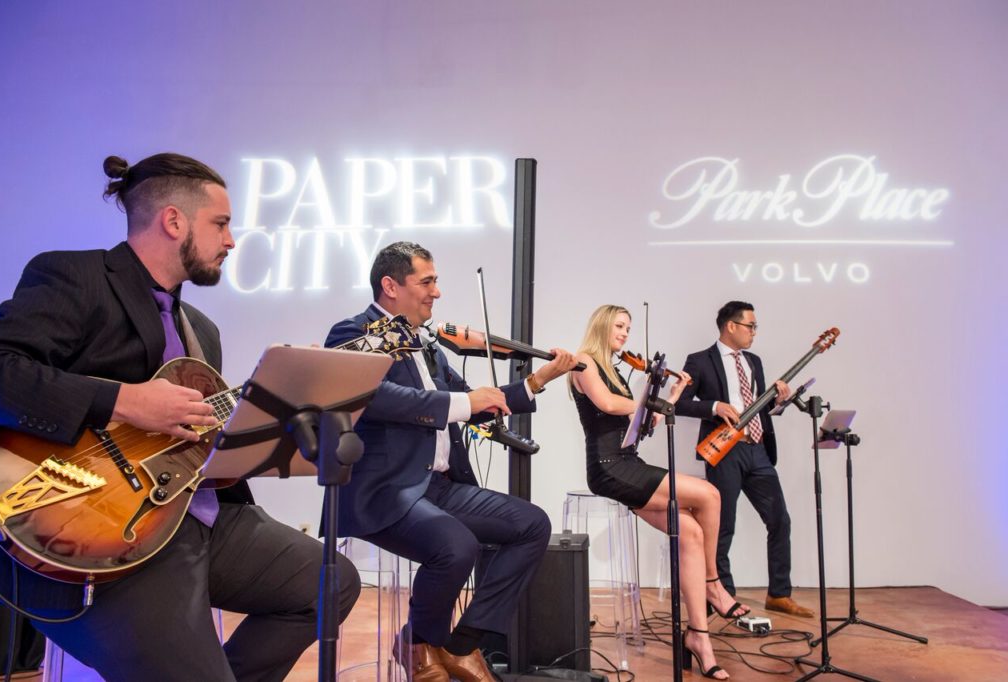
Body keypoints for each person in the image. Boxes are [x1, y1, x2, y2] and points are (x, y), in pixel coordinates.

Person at [0, 153, 361, 681]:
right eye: (221, 224)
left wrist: (257, 425)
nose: (231, 241)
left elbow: (190, 444)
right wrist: (123, 400)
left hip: (200, 518)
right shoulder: (76, 276)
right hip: (101, 534)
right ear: (173, 221)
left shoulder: (201, 330)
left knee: (330, 582)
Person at [325, 241, 575, 682]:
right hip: (384, 491)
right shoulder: (351, 333)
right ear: (390, 286)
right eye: (427, 282)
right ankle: (420, 645)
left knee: (532, 525)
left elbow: (475, 402)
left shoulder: (428, 345)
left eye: (435, 281)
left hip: (438, 487)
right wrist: (462, 403)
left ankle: (457, 644)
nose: (436, 292)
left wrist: (538, 380)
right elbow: (377, 398)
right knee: (457, 546)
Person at [570, 304, 743, 680]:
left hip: (629, 463)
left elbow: (647, 422)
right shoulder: (584, 363)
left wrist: (673, 393)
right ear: (602, 325)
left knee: (691, 533)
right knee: (710, 495)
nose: (624, 333)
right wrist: (649, 402)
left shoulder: (615, 370)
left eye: (628, 328)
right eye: (619, 326)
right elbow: (608, 404)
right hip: (609, 468)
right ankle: (714, 584)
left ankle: (699, 638)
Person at [675, 301, 814, 619]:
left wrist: (778, 402)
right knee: (722, 526)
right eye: (750, 326)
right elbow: (679, 403)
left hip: (758, 449)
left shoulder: (754, 361)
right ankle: (722, 594)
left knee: (779, 520)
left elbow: (760, 408)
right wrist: (714, 407)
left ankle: (779, 594)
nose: (754, 332)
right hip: (725, 450)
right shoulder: (700, 360)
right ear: (731, 326)